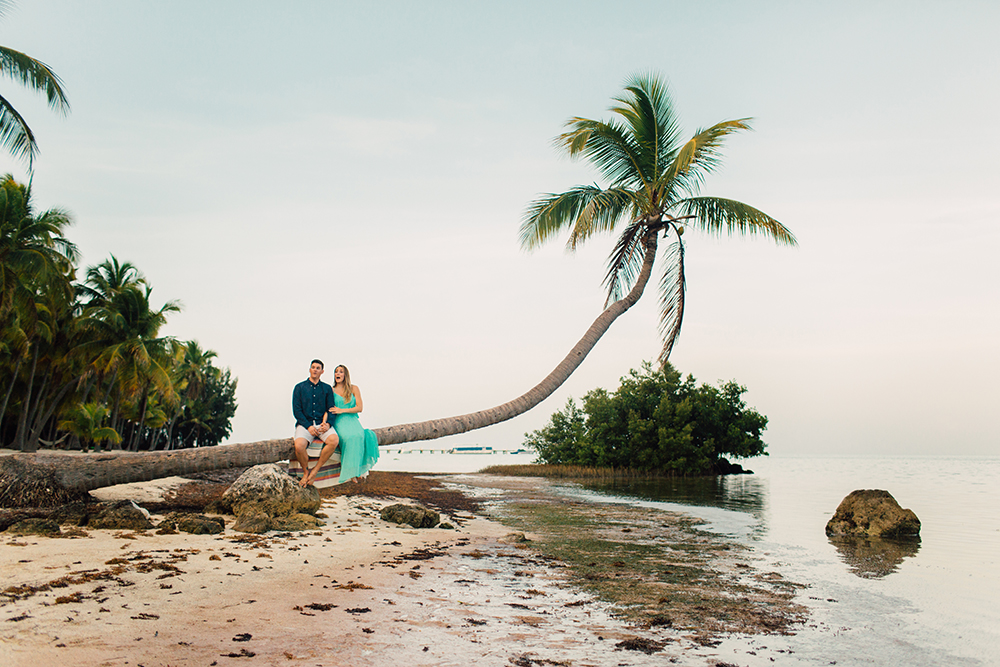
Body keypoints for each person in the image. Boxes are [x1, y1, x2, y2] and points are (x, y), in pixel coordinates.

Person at [291, 359, 340, 487]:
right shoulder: (299, 387)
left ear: (322, 371)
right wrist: (308, 426)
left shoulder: (327, 388)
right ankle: (306, 472)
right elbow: (297, 411)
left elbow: (331, 409)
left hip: (322, 424)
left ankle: (316, 470)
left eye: (318, 368)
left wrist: (328, 424)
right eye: (313, 367)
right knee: (299, 446)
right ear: (309, 369)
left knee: (334, 440)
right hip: (304, 424)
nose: (315, 370)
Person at [327, 364, 379, 483]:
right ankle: (350, 473)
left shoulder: (354, 388)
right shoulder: (331, 390)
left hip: (352, 419)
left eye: (340, 372)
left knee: (360, 435)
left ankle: (358, 470)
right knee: (349, 438)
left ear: (345, 375)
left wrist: (343, 410)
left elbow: (360, 408)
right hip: (338, 420)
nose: (338, 374)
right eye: (336, 372)